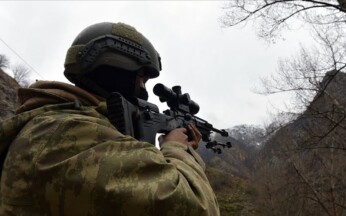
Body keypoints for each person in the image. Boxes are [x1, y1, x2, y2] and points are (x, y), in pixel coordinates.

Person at [0, 22, 220, 215]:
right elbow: (196, 208)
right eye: (142, 77)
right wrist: (177, 149)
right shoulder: (63, 133)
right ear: (119, 66)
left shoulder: (58, 124)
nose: (143, 89)